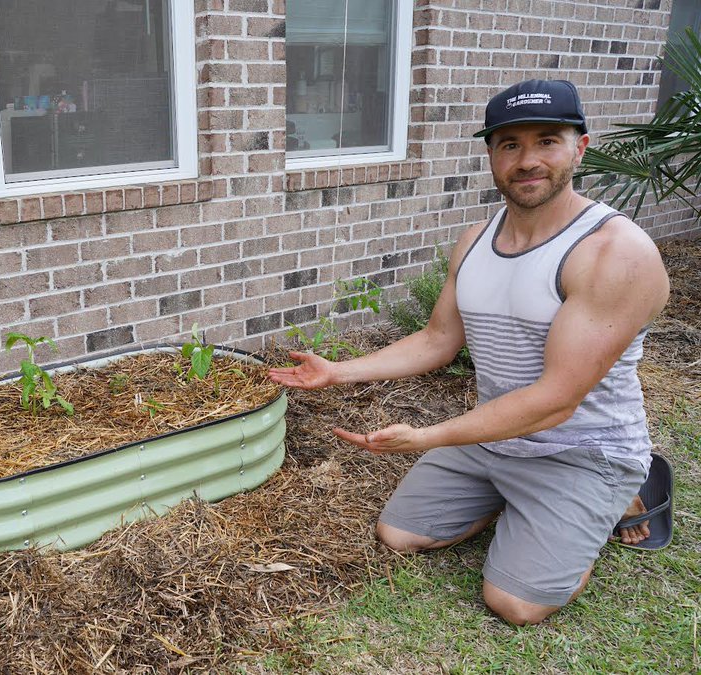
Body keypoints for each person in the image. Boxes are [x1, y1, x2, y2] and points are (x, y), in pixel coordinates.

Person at [269, 79, 670, 626]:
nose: (527, 160)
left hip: (580, 449)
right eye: (509, 145)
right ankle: (527, 506)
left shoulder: (614, 253)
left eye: (546, 141)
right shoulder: (476, 240)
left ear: (579, 147)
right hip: (495, 439)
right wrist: (339, 371)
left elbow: (556, 401)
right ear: (491, 156)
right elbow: (438, 339)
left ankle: (617, 496)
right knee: (399, 534)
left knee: (515, 603)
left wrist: (427, 438)